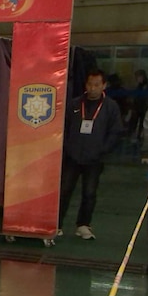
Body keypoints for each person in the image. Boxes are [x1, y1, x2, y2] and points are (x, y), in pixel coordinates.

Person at [59, 70, 124, 240]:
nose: (92, 88)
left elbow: (116, 132)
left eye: (96, 85)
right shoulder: (74, 104)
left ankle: (83, 225)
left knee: (89, 192)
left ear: (104, 86)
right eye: (89, 84)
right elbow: (63, 128)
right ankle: (57, 224)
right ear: (85, 85)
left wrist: (103, 149)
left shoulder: (111, 107)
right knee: (64, 190)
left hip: (95, 158)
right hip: (72, 156)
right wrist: (67, 147)